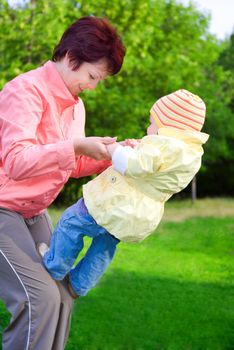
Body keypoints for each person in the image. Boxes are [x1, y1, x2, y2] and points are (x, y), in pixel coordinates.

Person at [0, 16, 125, 350]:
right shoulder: (24, 91)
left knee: (62, 293)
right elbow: (16, 161)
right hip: (3, 208)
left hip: (34, 212)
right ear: (71, 58)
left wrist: (115, 155)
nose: (93, 86)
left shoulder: (76, 106)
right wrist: (74, 145)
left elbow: (71, 163)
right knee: (38, 299)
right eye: (92, 76)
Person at [38, 89, 209, 299]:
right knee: (104, 246)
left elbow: (131, 165)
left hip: (114, 203)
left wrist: (113, 150)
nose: (148, 128)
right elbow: (154, 170)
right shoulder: (190, 154)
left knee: (71, 222)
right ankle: (78, 285)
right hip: (137, 215)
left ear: (168, 126)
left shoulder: (163, 143)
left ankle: (55, 266)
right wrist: (138, 149)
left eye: (152, 123)